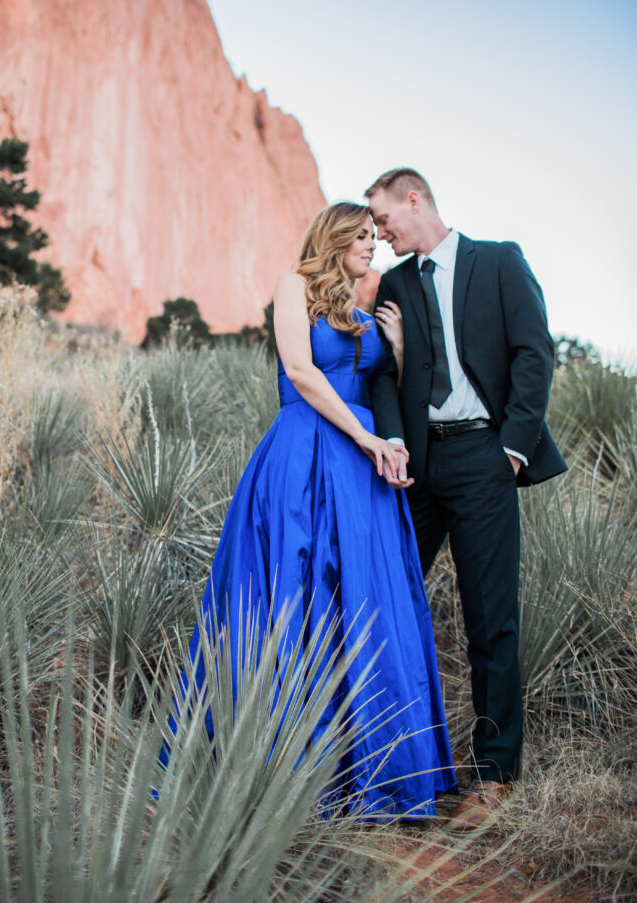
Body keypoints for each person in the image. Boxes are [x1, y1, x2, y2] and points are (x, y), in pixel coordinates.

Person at [162, 201, 455, 818]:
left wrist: (396, 349)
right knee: (290, 593)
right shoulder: (293, 287)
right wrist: (367, 437)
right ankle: (280, 768)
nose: (372, 244)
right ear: (334, 237)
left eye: (376, 236)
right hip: (304, 452)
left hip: (360, 468)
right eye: (362, 235)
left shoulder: (364, 311)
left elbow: (386, 388)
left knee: (365, 599)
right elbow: (300, 368)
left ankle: (373, 772)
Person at [366, 168, 567, 832]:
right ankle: (392, 765)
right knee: (390, 603)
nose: (379, 232)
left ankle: (492, 776)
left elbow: (533, 354)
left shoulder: (498, 261)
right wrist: (392, 440)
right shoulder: (391, 284)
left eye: (383, 217)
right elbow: (385, 380)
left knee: (490, 618)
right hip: (417, 468)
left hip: (486, 458)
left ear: (413, 199)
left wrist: (510, 449)